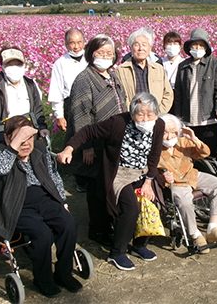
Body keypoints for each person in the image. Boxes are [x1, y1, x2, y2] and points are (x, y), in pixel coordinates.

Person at [57, 93, 165, 271]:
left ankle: (139, 245)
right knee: (130, 209)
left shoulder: (158, 125)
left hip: (143, 172)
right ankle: (117, 253)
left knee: (149, 206)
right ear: (131, 115)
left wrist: (149, 182)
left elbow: (154, 155)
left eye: (150, 114)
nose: (145, 119)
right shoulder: (118, 123)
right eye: (140, 114)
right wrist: (69, 148)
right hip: (119, 173)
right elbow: (87, 132)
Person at [0, 115, 81, 297]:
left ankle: (63, 273)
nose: (26, 143)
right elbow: (0, 169)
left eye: (29, 137)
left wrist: (62, 201)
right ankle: (43, 279)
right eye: (20, 138)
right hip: (17, 204)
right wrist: (14, 146)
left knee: (68, 224)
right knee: (43, 234)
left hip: (44, 198)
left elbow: (54, 177)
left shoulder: (39, 149)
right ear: (8, 138)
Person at [65, 34, 127, 246]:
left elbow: (123, 103)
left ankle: (109, 223)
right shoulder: (84, 79)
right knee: (96, 187)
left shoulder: (112, 75)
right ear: (91, 54)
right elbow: (80, 115)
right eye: (100, 53)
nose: (105, 56)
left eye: (109, 53)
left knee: (109, 184)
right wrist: (87, 147)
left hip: (112, 141)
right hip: (94, 143)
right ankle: (97, 230)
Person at [158, 114, 217, 253]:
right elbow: (151, 169)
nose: (168, 136)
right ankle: (194, 234)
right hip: (175, 183)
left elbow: (204, 153)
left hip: (191, 175)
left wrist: (194, 138)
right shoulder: (155, 147)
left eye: (173, 132)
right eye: (165, 132)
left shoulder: (182, 142)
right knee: (184, 201)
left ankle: (212, 228)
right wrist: (162, 177)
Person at [174, 29, 217, 159]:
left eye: (201, 45)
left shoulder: (213, 63)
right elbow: (179, 93)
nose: (197, 48)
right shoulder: (183, 66)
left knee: (209, 153)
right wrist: (178, 115)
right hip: (188, 118)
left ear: (206, 48)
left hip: (207, 118)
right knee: (190, 154)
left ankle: (213, 177)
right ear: (190, 47)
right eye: (195, 45)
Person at [0, 46, 49, 136]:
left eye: (18, 64)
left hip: (28, 134)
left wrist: (41, 127)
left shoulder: (31, 85)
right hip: (2, 136)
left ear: (24, 65)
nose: (14, 68)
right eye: (9, 64)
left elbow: (37, 111)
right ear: (2, 67)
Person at [116, 28, 173, 114]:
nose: (141, 48)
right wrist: (132, 113)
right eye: (136, 45)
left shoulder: (158, 69)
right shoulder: (121, 70)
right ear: (130, 48)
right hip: (132, 116)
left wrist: (158, 112)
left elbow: (168, 94)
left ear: (150, 48)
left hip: (156, 116)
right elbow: (119, 96)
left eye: (144, 44)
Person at [47, 28, 88, 132]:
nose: (76, 46)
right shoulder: (60, 63)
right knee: (75, 139)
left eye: (79, 42)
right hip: (71, 105)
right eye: (72, 43)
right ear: (66, 44)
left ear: (84, 42)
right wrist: (59, 116)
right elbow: (56, 91)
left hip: (91, 102)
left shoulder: (90, 59)